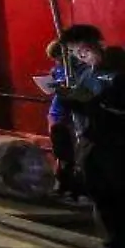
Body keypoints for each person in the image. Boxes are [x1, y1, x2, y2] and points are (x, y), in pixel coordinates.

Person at [58, 26, 125, 248]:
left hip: (114, 147)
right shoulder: (87, 73)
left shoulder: (117, 73)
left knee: (117, 200)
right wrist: (68, 97)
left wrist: (92, 106)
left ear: (96, 44)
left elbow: (112, 110)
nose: (80, 56)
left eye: (82, 50)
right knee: (101, 200)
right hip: (90, 143)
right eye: (75, 52)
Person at [44, 41, 84, 200]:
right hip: (57, 114)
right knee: (60, 152)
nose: (57, 62)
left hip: (71, 115)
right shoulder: (58, 69)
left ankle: (72, 187)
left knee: (71, 153)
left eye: (59, 57)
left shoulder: (79, 69)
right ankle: (63, 185)